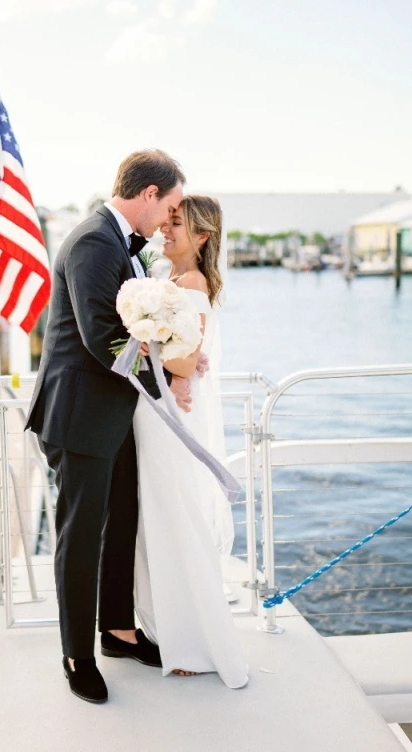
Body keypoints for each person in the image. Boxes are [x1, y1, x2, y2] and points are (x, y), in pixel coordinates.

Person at [25, 149, 194, 704]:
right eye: (168, 206)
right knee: (80, 537)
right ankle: (77, 654)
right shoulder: (95, 241)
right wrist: (165, 371)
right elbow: (103, 335)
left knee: (122, 518)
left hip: (114, 413)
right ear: (148, 194)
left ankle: (118, 631)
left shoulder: (121, 243)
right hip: (78, 415)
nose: (169, 218)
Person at [133, 194, 249, 686]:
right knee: (156, 515)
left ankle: (195, 640)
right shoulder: (169, 282)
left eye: (176, 224)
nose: (166, 228)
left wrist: (143, 338)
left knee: (175, 515)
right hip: (154, 409)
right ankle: (162, 627)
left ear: (202, 237)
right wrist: (149, 335)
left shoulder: (194, 283)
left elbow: (183, 362)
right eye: (167, 220)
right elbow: (181, 357)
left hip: (171, 418)